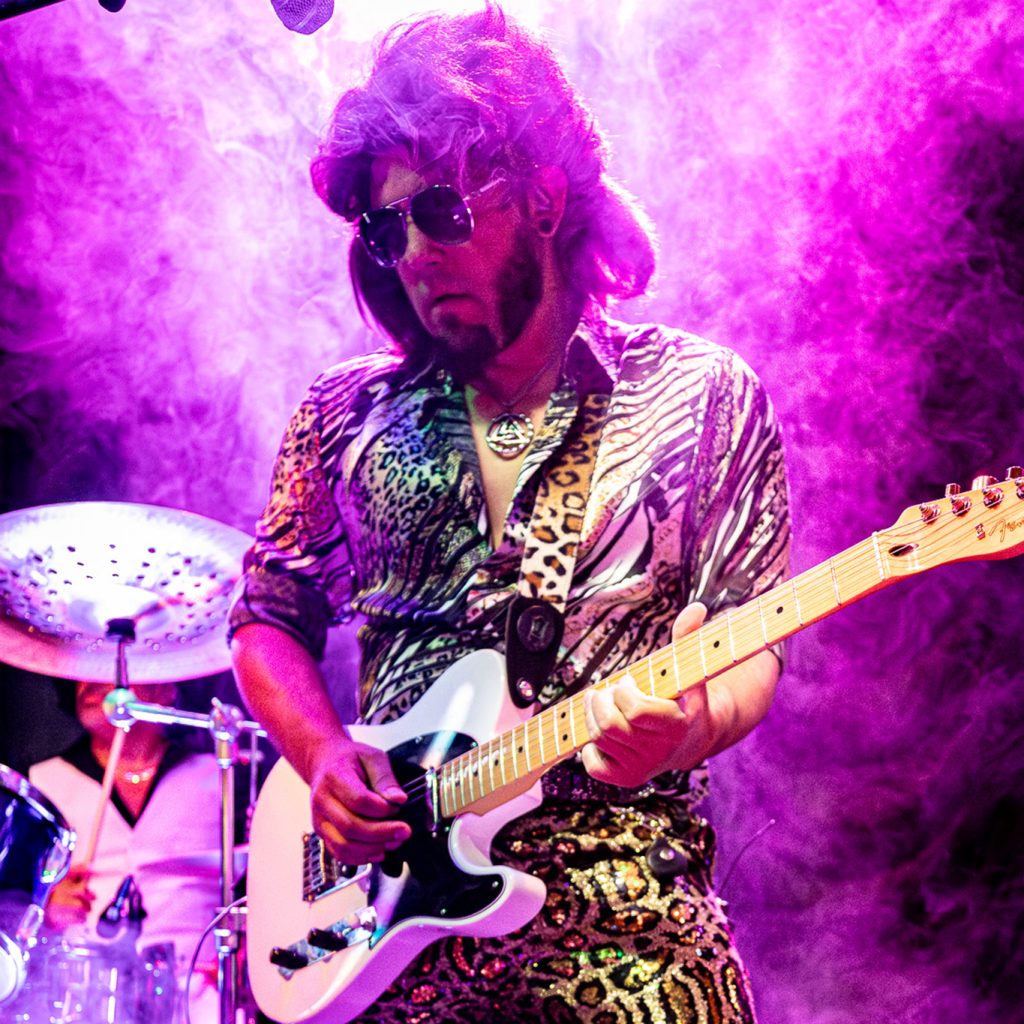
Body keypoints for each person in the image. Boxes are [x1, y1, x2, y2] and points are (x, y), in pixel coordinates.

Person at [229, 6, 790, 1022]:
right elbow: (267, 616)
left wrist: (689, 728)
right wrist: (322, 756)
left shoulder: (700, 394)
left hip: (632, 935)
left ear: (543, 196)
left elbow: (754, 636)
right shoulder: (346, 413)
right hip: (392, 955)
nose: (411, 253)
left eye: (439, 212)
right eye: (385, 229)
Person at [28, 681, 224, 1022]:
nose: (90, 682)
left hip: (200, 999)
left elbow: (258, 885)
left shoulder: (221, 776)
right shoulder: (39, 782)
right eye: (84, 669)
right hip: (78, 997)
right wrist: (42, 904)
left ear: (166, 689)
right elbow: (11, 910)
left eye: (115, 667)